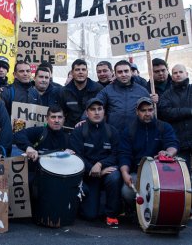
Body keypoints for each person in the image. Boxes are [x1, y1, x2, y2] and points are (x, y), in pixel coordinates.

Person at [69, 98, 121, 227]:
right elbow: (77, 155)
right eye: (93, 109)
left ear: (104, 112)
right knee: (89, 216)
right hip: (87, 175)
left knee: (115, 176)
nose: (96, 112)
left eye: (99, 109)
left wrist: (100, 165)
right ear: (87, 113)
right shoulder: (79, 131)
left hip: (105, 171)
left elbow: (116, 155)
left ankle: (111, 214)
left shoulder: (112, 131)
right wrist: (93, 169)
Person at [119, 97, 179, 208]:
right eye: (143, 110)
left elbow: (173, 145)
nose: (147, 113)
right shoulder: (129, 130)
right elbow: (124, 154)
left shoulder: (164, 127)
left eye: (150, 110)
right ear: (137, 112)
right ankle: (135, 212)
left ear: (154, 110)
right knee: (127, 192)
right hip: (137, 173)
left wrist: (168, 153)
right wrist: (125, 173)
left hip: (162, 174)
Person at [95, 60, 156, 132]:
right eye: (120, 72)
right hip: (114, 134)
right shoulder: (107, 90)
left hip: (137, 133)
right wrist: (84, 120)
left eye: (126, 71)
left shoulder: (142, 91)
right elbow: (95, 103)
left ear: (131, 72)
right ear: (115, 74)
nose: (123, 74)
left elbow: (150, 113)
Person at [14, 106, 71, 179]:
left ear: (64, 119)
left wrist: (70, 156)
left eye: (59, 117)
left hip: (59, 178)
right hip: (38, 177)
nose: (56, 120)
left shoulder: (68, 137)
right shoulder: (40, 132)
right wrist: (28, 147)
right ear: (47, 119)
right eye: (53, 117)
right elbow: (18, 135)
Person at [159, 64, 192, 172]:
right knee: (184, 174)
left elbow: (172, 112)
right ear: (171, 76)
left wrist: (178, 112)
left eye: (180, 72)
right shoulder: (166, 95)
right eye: (175, 73)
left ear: (186, 74)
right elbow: (166, 113)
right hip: (179, 141)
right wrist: (189, 111)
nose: (178, 75)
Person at [60, 59, 103, 129]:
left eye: (83, 69)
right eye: (77, 70)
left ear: (87, 72)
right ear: (72, 73)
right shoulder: (64, 91)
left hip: (93, 129)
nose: (80, 72)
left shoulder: (98, 89)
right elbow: (61, 113)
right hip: (70, 130)